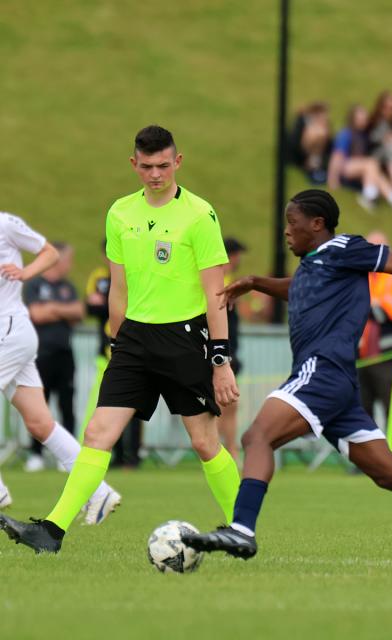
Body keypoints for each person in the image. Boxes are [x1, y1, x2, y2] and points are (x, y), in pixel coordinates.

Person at [180, 189, 392, 572]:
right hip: (338, 384)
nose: (286, 231)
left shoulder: (344, 248)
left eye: (292, 223)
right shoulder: (315, 264)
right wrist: (257, 282)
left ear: (317, 224)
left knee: (257, 437)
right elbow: (298, 288)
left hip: (322, 371)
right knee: (391, 473)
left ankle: (242, 529)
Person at [0, 125, 240, 554]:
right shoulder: (120, 213)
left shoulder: (199, 215)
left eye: (163, 165)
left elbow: (214, 293)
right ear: (134, 164)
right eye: (146, 166)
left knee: (205, 443)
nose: (155, 174)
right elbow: (119, 289)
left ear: (177, 162)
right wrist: (116, 343)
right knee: (96, 433)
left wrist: (220, 360)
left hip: (184, 339)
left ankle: (242, 528)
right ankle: (51, 532)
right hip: (133, 342)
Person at [0, 213, 120, 523]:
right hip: (13, 335)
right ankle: (99, 491)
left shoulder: (5, 224)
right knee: (40, 423)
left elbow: (49, 252)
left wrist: (25, 273)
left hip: (9, 331)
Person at [22, 242, 84, 472]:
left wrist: (52, 309)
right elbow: (36, 314)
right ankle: (36, 455)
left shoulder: (68, 287)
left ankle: (66, 457)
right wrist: (63, 310)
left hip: (64, 354)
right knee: (39, 406)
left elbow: (79, 311)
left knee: (67, 405)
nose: (70, 265)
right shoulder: (34, 285)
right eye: (68, 260)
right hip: (39, 355)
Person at [85, 243, 142, 469]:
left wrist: (106, 303)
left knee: (135, 408)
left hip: (135, 350)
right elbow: (90, 307)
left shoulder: (135, 273)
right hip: (108, 354)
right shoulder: (100, 277)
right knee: (108, 406)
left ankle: (133, 456)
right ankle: (113, 456)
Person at [358, 231, 392, 457]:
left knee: (391, 405)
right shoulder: (359, 275)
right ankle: (368, 457)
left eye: (378, 247)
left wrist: (363, 305)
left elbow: (388, 312)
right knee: (362, 408)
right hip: (359, 353)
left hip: (387, 353)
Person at [327, 105, 392, 213]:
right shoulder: (346, 133)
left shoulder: (365, 134)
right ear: (354, 119)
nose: (364, 121)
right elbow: (337, 156)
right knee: (370, 163)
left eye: (365, 118)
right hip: (346, 167)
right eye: (361, 119)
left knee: (376, 173)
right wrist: (333, 179)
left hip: (361, 168)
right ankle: (369, 197)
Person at [219, 237, 247, 463]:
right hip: (220, 354)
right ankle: (226, 451)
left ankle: (228, 451)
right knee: (225, 406)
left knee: (226, 406)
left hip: (226, 353)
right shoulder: (223, 282)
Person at [286, 101, 333, 185]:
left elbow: (330, 145)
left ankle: (316, 166)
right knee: (319, 133)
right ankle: (313, 166)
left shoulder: (324, 126)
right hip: (302, 158)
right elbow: (294, 144)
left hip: (318, 159)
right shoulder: (304, 124)